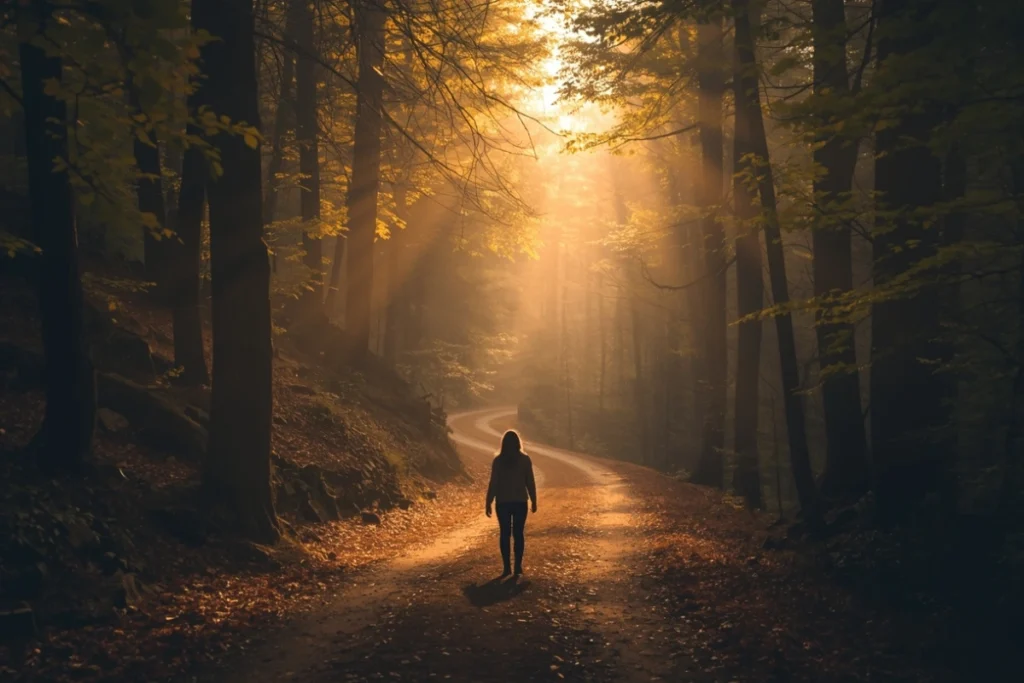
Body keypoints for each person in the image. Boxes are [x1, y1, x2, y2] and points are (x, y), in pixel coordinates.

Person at [485, 429, 537, 577]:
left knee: (505, 534)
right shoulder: (525, 460)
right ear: (518, 443)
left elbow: (493, 483)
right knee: (518, 534)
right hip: (520, 502)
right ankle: (518, 566)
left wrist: (488, 501)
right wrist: (534, 500)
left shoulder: (498, 461)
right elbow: (530, 482)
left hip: (502, 502)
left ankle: (507, 567)